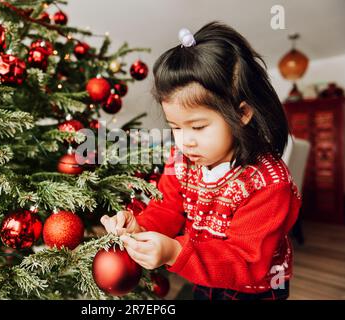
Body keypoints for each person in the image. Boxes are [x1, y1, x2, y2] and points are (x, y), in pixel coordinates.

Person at [100, 21, 302, 300]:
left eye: (198, 127)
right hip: (200, 271)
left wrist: (174, 252)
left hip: (255, 289)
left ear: (242, 113)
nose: (185, 141)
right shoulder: (182, 159)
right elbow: (167, 208)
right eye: (175, 127)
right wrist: (140, 226)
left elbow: (247, 262)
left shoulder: (267, 183)